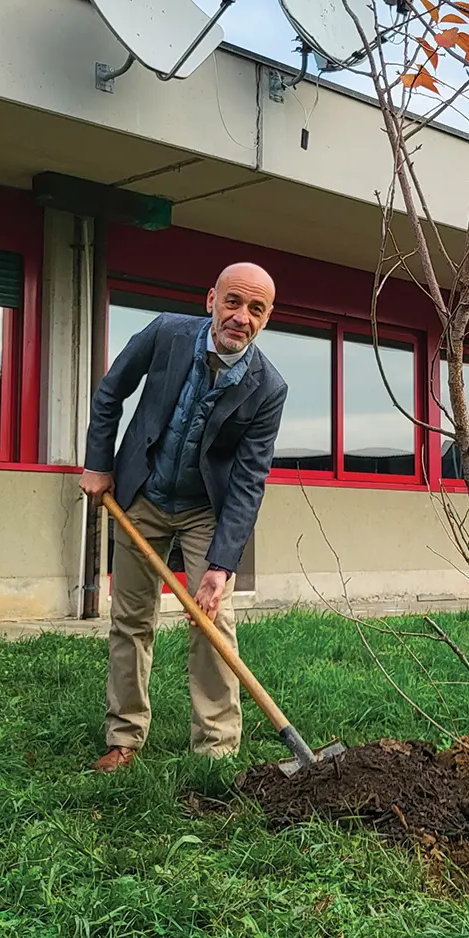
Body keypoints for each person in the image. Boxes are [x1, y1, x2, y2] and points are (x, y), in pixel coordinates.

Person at [79, 263, 286, 771]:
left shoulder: (268, 388)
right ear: (210, 298)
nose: (241, 316)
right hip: (141, 495)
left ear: (266, 318)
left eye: (255, 309)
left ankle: (215, 749)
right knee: (130, 620)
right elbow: (111, 394)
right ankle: (124, 737)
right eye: (233, 302)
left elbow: (247, 480)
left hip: (203, 511)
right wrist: (99, 464)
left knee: (215, 623)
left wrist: (221, 564)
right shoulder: (165, 334)